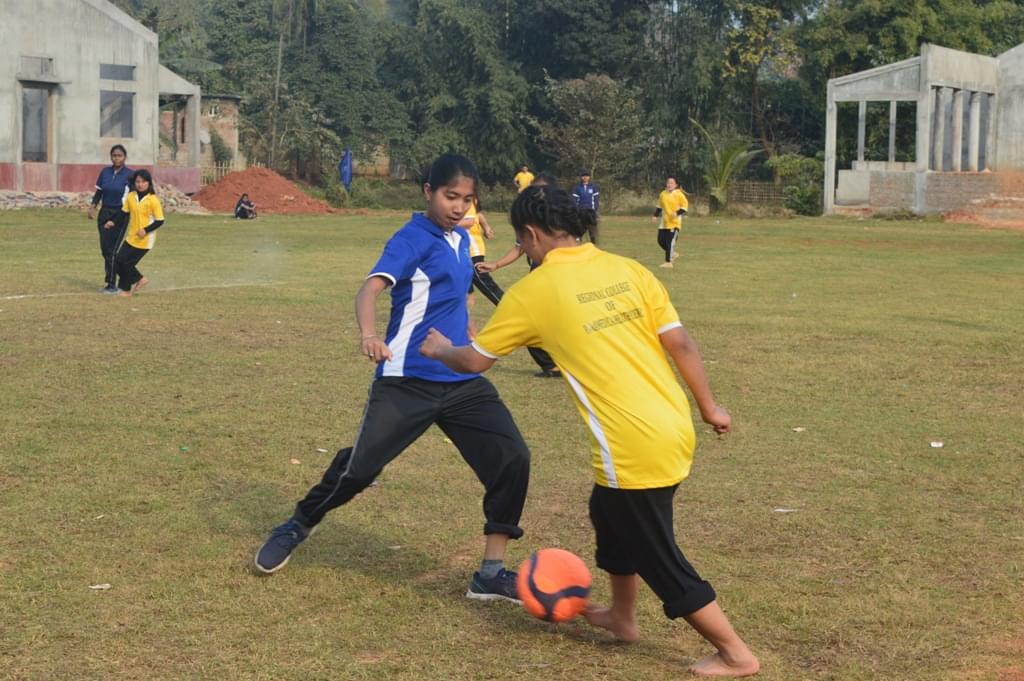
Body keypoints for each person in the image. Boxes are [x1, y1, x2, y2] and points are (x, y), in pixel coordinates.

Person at [420, 186, 760, 678]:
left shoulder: (534, 292)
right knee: (607, 511)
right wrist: (710, 408)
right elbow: (680, 342)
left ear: (531, 236)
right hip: (671, 424)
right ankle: (622, 619)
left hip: (631, 442)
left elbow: (473, 360)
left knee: (655, 552)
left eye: (523, 242)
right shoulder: (628, 269)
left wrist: (438, 349)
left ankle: (735, 653)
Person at [254, 154, 531, 604]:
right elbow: (370, 288)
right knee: (359, 470)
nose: (459, 207)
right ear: (428, 192)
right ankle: (298, 524)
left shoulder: (461, 240)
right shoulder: (410, 238)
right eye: (450, 196)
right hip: (407, 379)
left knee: (512, 459)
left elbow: (455, 295)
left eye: (467, 199)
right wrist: (369, 334)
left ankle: (491, 573)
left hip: (460, 379)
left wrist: (469, 331)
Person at [474, 173, 564, 378]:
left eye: (542, 191)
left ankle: (558, 363)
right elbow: (519, 248)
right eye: (534, 189)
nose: (537, 194)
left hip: (560, 276)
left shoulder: (563, 218)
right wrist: (495, 265)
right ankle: (552, 365)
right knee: (534, 320)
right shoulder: (528, 218)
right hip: (539, 275)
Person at [87, 144, 133, 293]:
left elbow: (129, 201)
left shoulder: (130, 175)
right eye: (114, 155)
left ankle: (112, 284)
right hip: (104, 213)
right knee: (105, 250)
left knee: (112, 250)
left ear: (125, 157)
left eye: (119, 155)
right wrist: (93, 206)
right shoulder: (105, 172)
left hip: (120, 214)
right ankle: (128, 278)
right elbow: (99, 192)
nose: (117, 158)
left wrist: (116, 219)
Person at [113, 170, 164, 298]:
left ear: (149, 183)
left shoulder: (153, 200)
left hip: (145, 240)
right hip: (131, 237)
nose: (140, 184)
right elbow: (124, 213)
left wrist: (145, 230)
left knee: (126, 264)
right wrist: (112, 222)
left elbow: (160, 220)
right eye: (138, 181)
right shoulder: (131, 196)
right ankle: (140, 279)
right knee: (118, 261)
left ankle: (125, 290)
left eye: (143, 181)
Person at [653, 176, 688, 269]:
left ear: (676, 185)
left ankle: (668, 262)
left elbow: (684, 208)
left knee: (669, 242)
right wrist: (655, 216)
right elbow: (659, 206)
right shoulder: (663, 194)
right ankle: (673, 253)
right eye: (668, 182)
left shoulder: (679, 194)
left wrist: (676, 213)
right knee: (660, 241)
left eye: (672, 183)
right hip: (664, 222)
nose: (669, 184)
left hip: (674, 223)